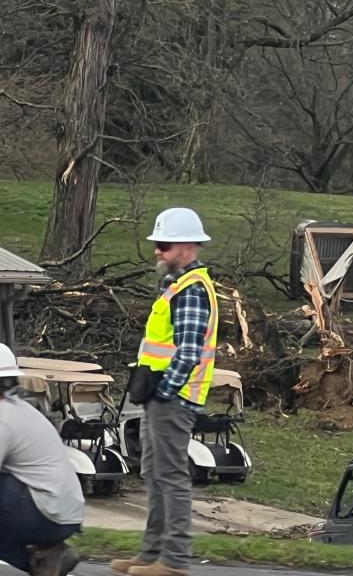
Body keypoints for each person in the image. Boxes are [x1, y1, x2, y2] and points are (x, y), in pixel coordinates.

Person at [110, 208, 219, 576]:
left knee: (170, 477)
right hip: (161, 397)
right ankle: (151, 554)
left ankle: (173, 561)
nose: (156, 250)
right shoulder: (177, 285)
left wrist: (164, 392)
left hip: (172, 398)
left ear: (187, 247)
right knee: (154, 473)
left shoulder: (191, 291)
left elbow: (188, 353)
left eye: (163, 244)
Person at [0, 343, 83, 576]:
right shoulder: (20, 409)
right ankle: (48, 560)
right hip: (63, 512)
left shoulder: (3, 418)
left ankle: (42, 562)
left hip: (48, 512)